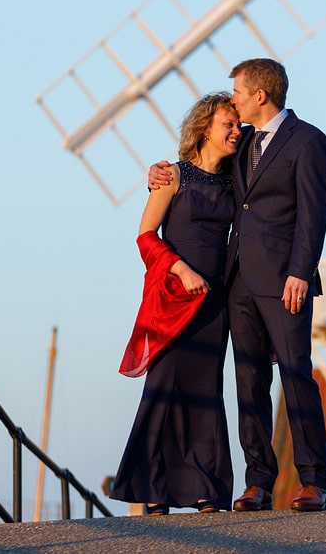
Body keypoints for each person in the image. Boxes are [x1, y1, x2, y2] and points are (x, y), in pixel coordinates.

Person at [150, 58, 326, 513]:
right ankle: (259, 482)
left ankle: (314, 480)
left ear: (259, 96)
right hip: (236, 282)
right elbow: (202, 169)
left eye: (236, 92)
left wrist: (301, 270)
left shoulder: (308, 141)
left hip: (284, 280)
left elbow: (314, 212)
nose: (232, 100)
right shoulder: (242, 140)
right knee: (248, 379)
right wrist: (160, 174)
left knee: (295, 374)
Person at [110, 92, 241, 515]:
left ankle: (206, 488)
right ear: (205, 128)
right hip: (173, 299)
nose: (236, 131)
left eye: (238, 124)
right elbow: (146, 235)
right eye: (228, 124)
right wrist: (180, 269)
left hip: (215, 302)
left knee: (206, 391)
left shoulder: (235, 178)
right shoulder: (173, 176)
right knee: (164, 390)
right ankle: (155, 489)